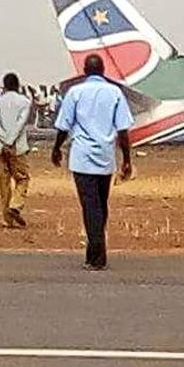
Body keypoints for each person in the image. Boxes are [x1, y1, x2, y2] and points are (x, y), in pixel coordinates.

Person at [51, 54, 134, 271]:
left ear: (85, 71)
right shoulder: (115, 92)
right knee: (100, 205)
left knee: (90, 206)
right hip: (105, 158)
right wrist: (127, 159)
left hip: (82, 158)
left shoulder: (75, 93)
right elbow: (123, 130)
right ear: (104, 70)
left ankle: (97, 254)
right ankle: (94, 251)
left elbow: (64, 126)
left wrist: (56, 149)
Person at [0, 73, 32, 228]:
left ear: (4, 86)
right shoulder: (25, 102)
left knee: (4, 183)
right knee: (22, 178)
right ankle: (15, 205)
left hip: (0, 148)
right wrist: (10, 141)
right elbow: (20, 123)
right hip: (17, 148)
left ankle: (7, 219)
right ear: (18, 85)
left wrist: (4, 140)